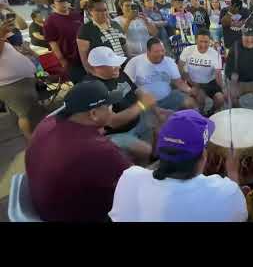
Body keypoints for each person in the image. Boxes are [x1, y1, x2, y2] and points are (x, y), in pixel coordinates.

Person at [109, 109, 248, 222]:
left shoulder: (129, 178)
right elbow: (241, 215)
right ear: (204, 157)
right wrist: (233, 173)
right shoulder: (226, 192)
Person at [26, 80, 132, 222]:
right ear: (93, 113)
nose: (112, 109)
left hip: (48, 207)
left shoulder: (46, 123)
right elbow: (134, 181)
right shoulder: (99, 150)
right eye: (109, 106)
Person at [85, 46, 163, 165]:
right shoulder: (92, 88)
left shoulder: (118, 73)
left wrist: (155, 109)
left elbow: (137, 91)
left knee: (162, 124)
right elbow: (112, 122)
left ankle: (152, 160)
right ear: (97, 68)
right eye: (113, 64)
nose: (119, 66)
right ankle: (144, 169)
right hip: (114, 133)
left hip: (136, 118)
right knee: (145, 150)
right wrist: (142, 105)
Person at [0, 19, 45, 142]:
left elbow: (22, 25)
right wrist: (2, 33)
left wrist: (8, 9)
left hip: (24, 80)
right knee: (24, 114)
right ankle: (31, 140)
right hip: (11, 84)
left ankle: (39, 136)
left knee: (31, 111)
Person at [124, 37, 198, 111]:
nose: (161, 54)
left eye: (162, 50)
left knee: (191, 103)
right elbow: (127, 85)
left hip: (168, 97)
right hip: (145, 103)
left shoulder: (169, 61)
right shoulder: (134, 62)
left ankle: (201, 120)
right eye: (156, 51)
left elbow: (179, 82)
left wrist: (190, 90)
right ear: (148, 51)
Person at [43, 0, 86, 83]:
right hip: (71, 60)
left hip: (86, 55)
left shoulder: (77, 15)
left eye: (65, 0)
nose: (64, 3)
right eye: (60, 1)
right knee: (82, 84)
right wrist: (62, 60)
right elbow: (52, 42)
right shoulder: (50, 21)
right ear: (53, 5)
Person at [179, 29, 224, 116]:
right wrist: (189, 83)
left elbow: (218, 74)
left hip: (210, 82)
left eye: (206, 42)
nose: (203, 45)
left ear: (210, 41)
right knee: (198, 100)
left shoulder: (215, 54)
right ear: (196, 40)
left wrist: (223, 89)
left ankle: (211, 112)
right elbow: (180, 68)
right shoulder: (188, 50)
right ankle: (200, 114)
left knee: (220, 98)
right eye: (201, 41)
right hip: (192, 81)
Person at [77, 0, 127, 74]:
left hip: (122, 67)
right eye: (98, 10)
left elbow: (123, 45)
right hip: (105, 72)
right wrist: (94, 74)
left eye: (105, 10)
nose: (103, 13)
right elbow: (84, 58)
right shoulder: (85, 29)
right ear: (90, 11)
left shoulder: (115, 24)